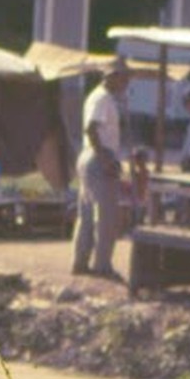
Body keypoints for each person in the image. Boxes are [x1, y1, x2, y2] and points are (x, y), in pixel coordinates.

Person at [72, 58, 131, 280]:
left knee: (86, 214)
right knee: (105, 216)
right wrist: (106, 158)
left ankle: (80, 262)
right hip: (98, 156)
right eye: (124, 77)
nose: (126, 82)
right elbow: (91, 129)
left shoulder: (101, 97)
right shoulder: (103, 98)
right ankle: (102, 265)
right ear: (112, 77)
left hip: (91, 156)